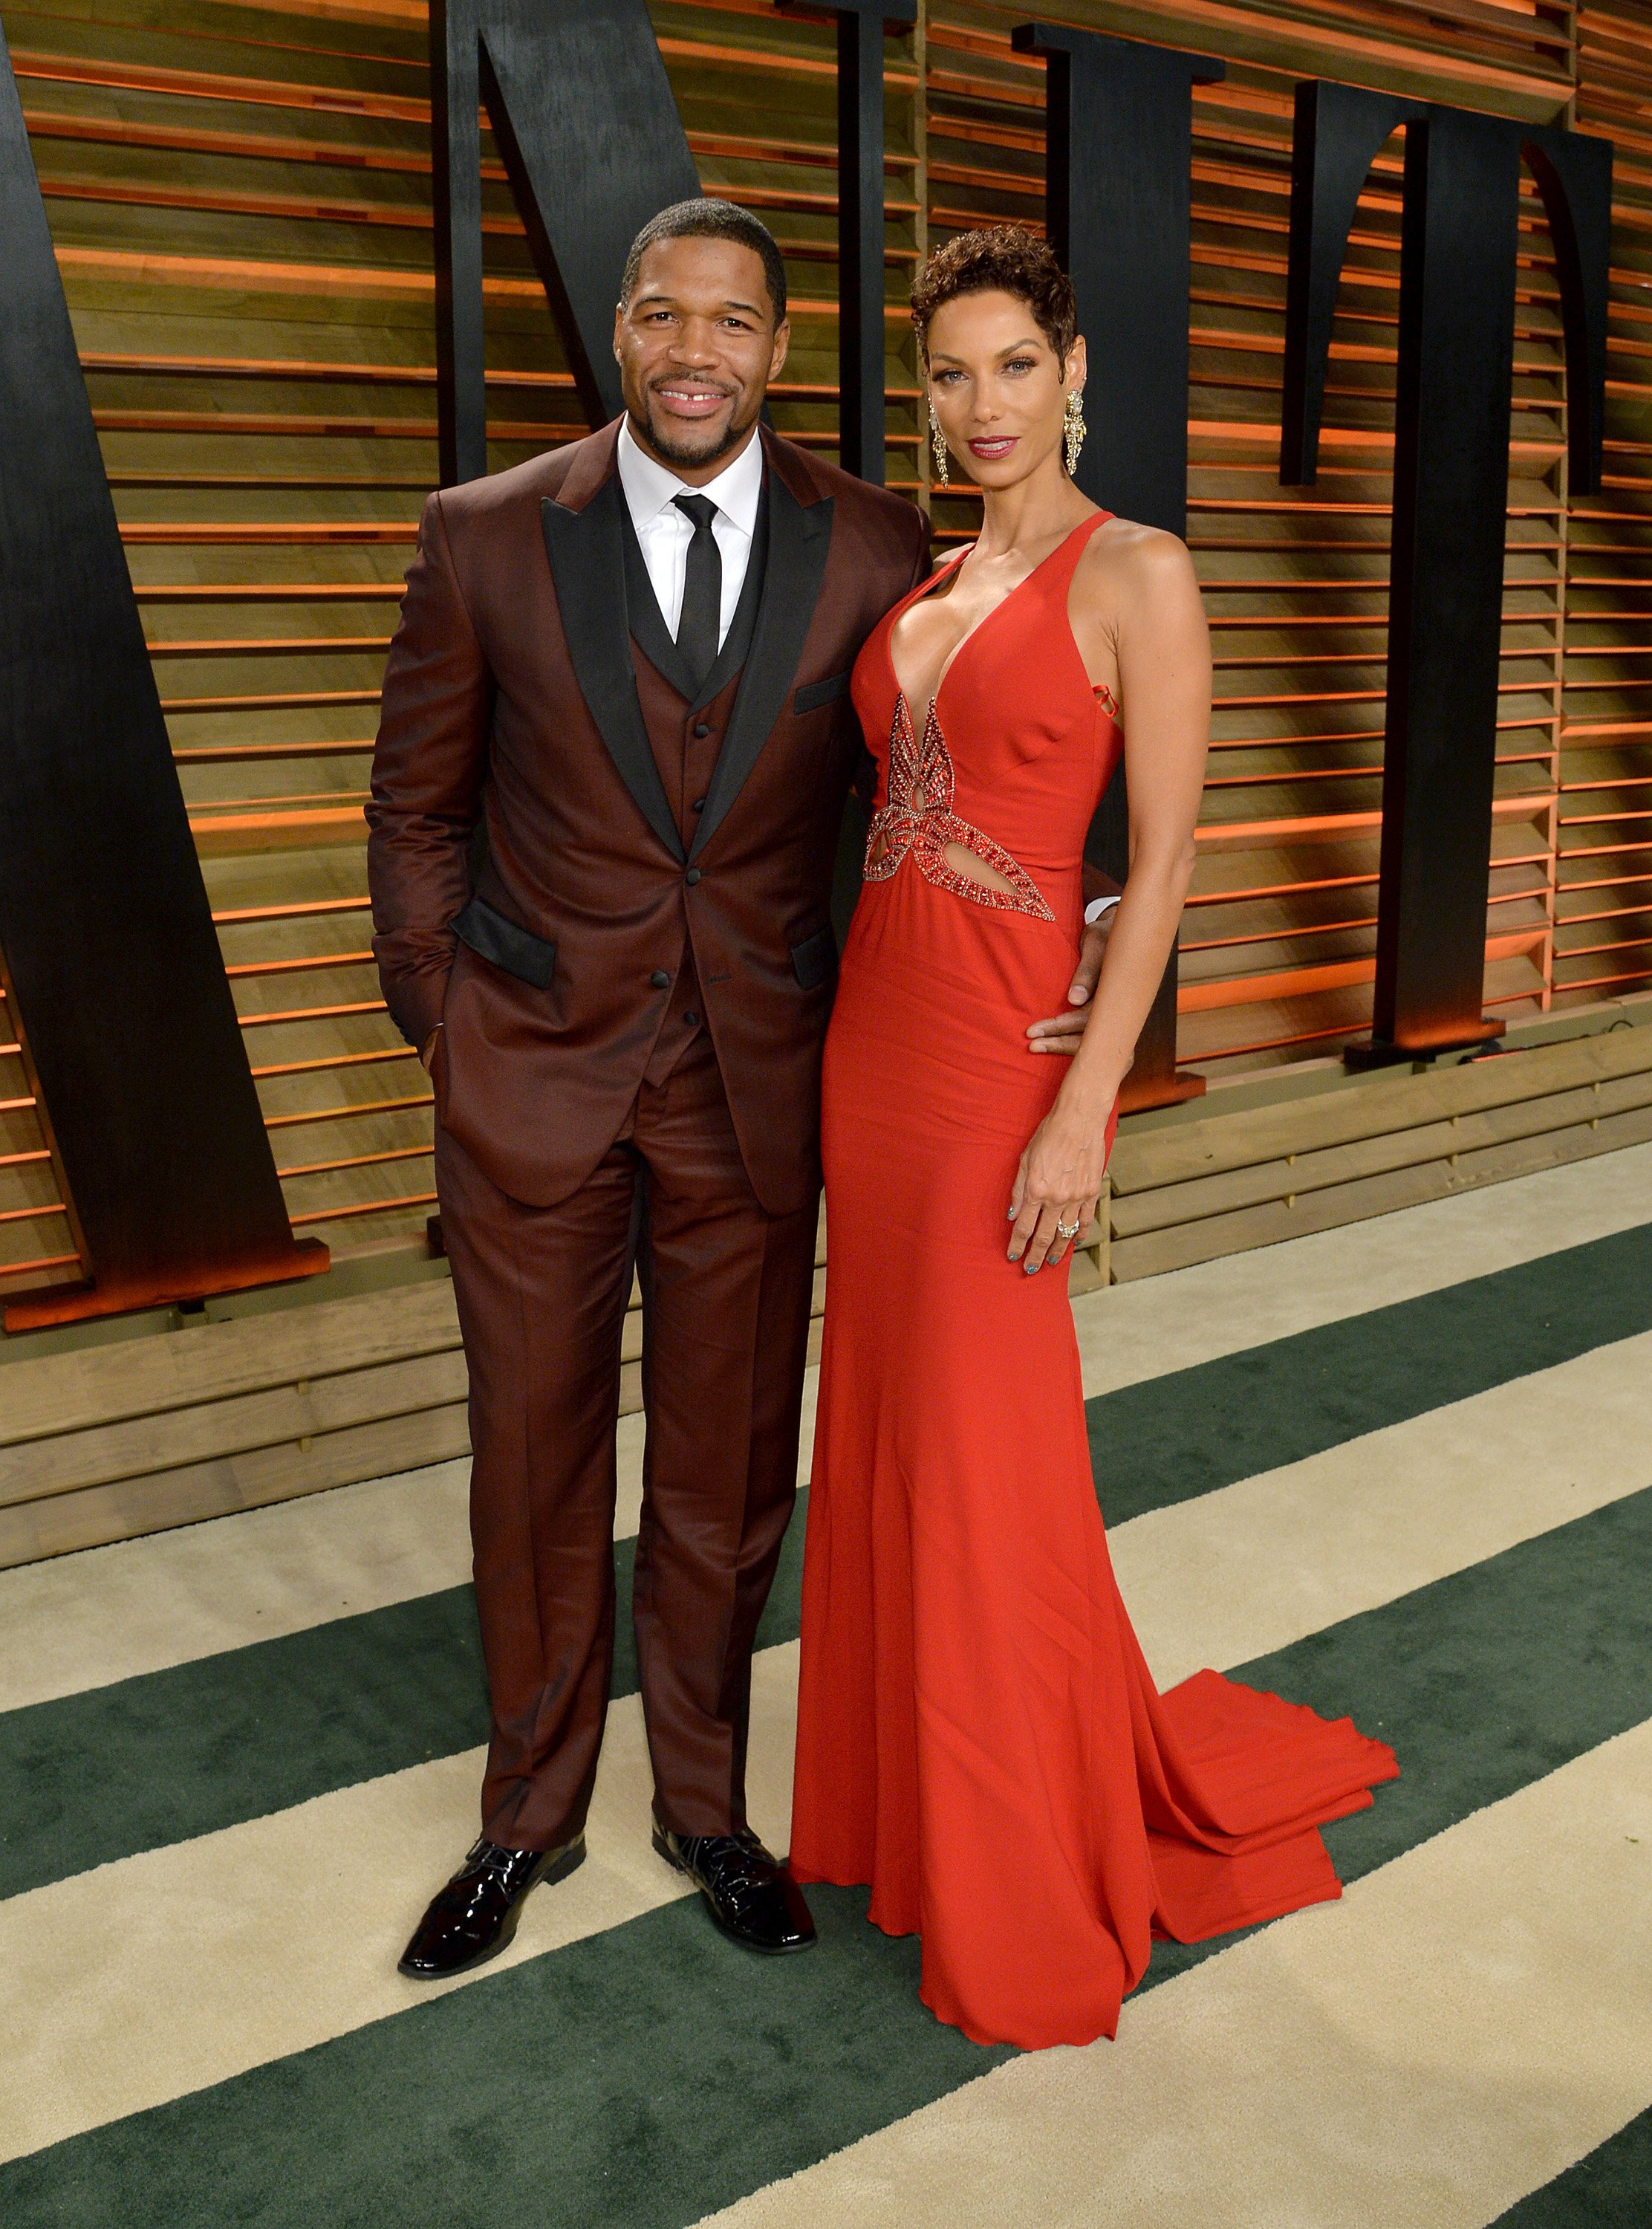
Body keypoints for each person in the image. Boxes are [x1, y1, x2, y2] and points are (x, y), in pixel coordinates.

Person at [368, 198, 1113, 1976]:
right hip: (531, 1091)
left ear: (779, 351)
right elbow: (411, 810)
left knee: (723, 1477)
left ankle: (702, 1802)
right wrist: (452, 1033)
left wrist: (1078, 923)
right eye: (661, 317)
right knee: (532, 1464)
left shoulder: (874, 543)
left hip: (763, 1089)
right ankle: (523, 1816)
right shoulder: (483, 539)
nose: (695, 351)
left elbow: (977, 751)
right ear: (618, 335)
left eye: (733, 323)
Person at [788, 226, 1399, 2050]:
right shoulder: (920, 587)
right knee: (891, 1446)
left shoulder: (1140, 573)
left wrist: (1080, 1106)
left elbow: (1167, 856)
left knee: (988, 1474)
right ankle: (900, 1819)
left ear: (1075, 372)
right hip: (870, 1056)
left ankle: (1013, 1869)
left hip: (997, 1077)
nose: (981, 405)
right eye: (948, 374)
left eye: (1011, 366)